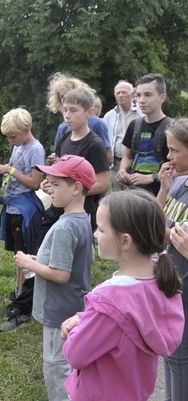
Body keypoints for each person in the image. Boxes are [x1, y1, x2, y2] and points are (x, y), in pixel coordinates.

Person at [61, 190, 183, 400]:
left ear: (125, 241)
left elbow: (75, 355)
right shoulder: (162, 281)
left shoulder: (110, 303)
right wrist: (85, 318)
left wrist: (76, 329)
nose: (95, 234)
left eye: (100, 229)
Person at [15, 155, 95, 400]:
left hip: (57, 311)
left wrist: (28, 262)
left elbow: (61, 274)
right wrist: (39, 260)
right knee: (68, 364)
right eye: (48, 181)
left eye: (56, 184)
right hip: (72, 306)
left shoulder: (64, 227)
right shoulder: (82, 220)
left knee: (56, 368)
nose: (48, 188)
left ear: (77, 188)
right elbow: (81, 261)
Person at [0, 108, 45, 332]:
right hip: (13, 207)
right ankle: (19, 290)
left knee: (27, 256)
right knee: (18, 256)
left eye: (13, 136)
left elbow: (35, 182)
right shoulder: (19, 145)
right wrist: (1, 171)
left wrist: (10, 170)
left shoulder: (36, 149)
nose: (10, 141)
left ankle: (24, 308)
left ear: (26, 130)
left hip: (26, 210)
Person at [157, 118, 188, 400]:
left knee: (180, 357)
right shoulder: (179, 182)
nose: (169, 156)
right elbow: (156, 218)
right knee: (170, 352)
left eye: (175, 150)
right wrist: (165, 187)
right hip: (173, 283)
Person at [51, 88, 111, 231]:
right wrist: (50, 184)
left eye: (73, 110)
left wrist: (71, 190)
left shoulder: (95, 145)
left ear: (89, 112)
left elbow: (103, 184)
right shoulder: (64, 138)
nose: (67, 116)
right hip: (61, 208)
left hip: (83, 211)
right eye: (65, 110)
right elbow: (58, 172)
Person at [117, 73, 172, 196]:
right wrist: (122, 170)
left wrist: (152, 177)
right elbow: (127, 157)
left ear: (162, 97)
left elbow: (180, 168)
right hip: (132, 193)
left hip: (160, 195)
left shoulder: (173, 128)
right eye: (138, 95)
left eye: (148, 95)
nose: (141, 100)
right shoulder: (134, 125)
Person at [49, 72, 113, 165]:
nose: (65, 100)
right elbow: (60, 155)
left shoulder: (97, 123)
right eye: (62, 97)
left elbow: (108, 158)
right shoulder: (62, 127)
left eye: (69, 94)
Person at [102, 80, 143, 189]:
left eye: (124, 92)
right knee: (118, 196)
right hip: (116, 163)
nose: (120, 95)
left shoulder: (141, 113)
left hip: (138, 163)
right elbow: (104, 139)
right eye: (118, 93)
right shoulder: (109, 116)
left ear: (132, 94)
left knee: (136, 195)